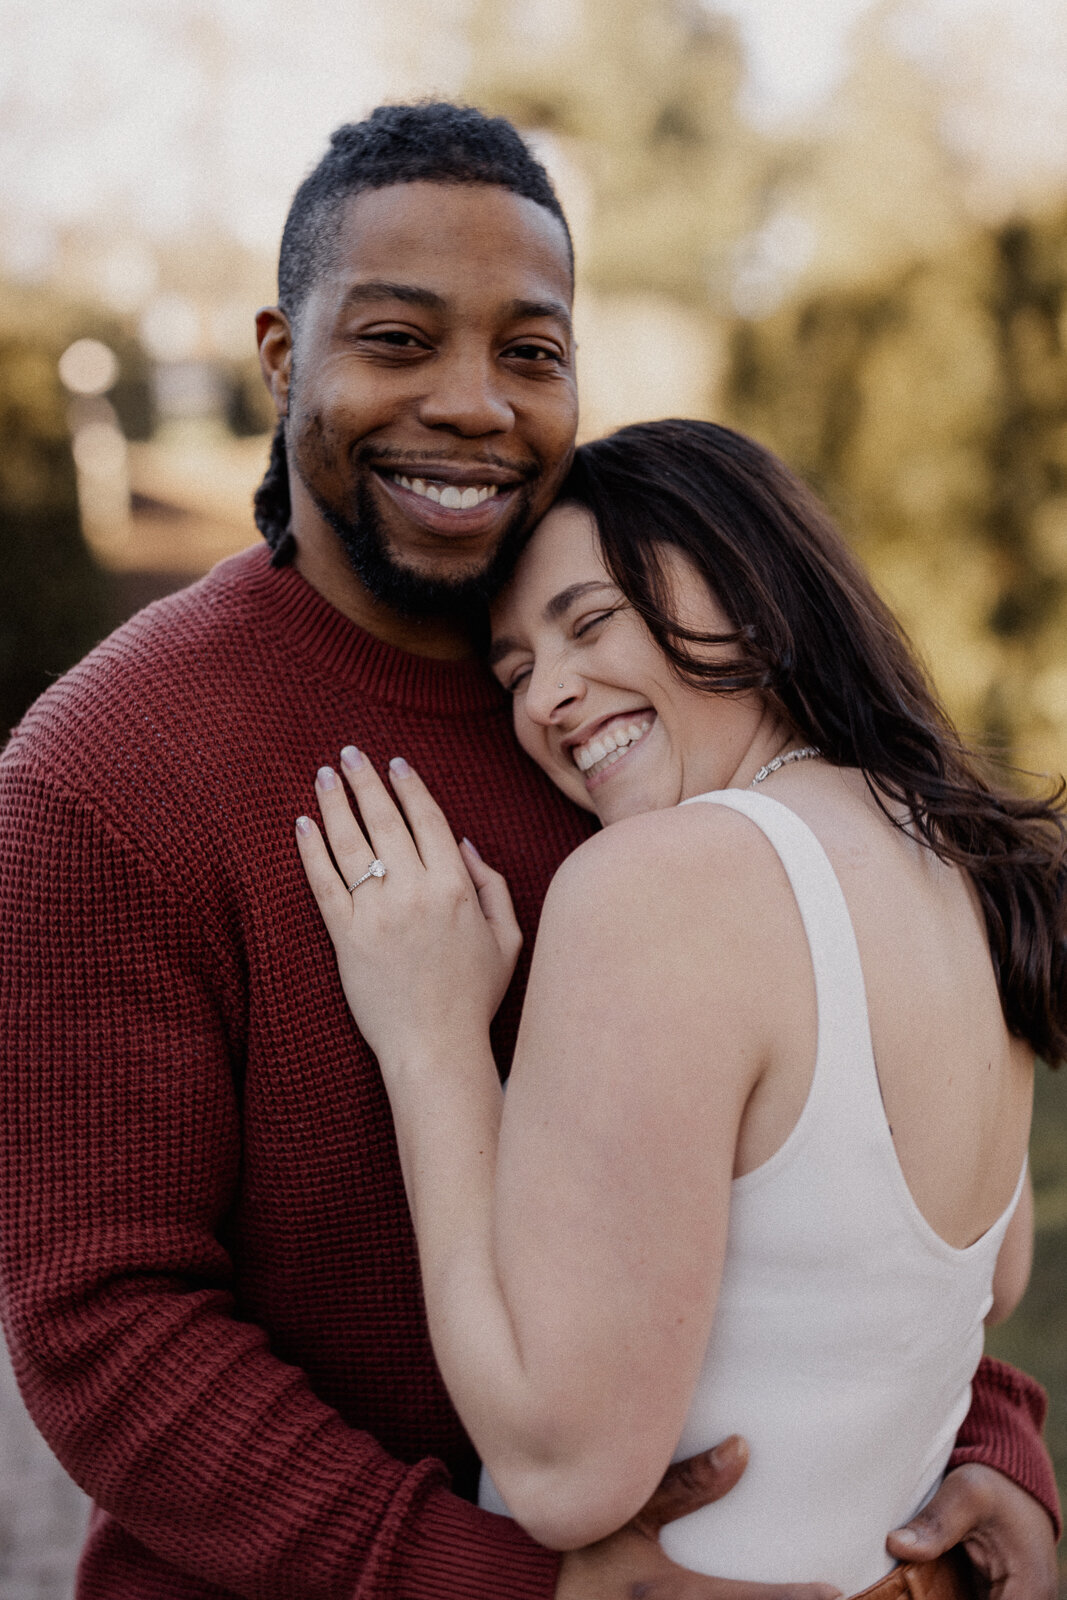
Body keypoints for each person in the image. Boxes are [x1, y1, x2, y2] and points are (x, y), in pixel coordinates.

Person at [0, 104, 1057, 1600]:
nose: (473, 402)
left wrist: (979, 1438)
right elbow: (107, 1330)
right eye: (397, 337)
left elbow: (827, 1163)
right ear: (282, 356)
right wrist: (497, 1584)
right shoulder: (97, 778)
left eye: (529, 352)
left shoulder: (639, 727)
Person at [296, 418, 1065, 1595]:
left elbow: (560, 1468)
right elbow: (990, 1282)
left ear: (754, 598)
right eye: (512, 671)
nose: (549, 695)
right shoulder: (961, 859)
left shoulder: (658, 885)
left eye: (591, 623)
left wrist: (432, 1040)